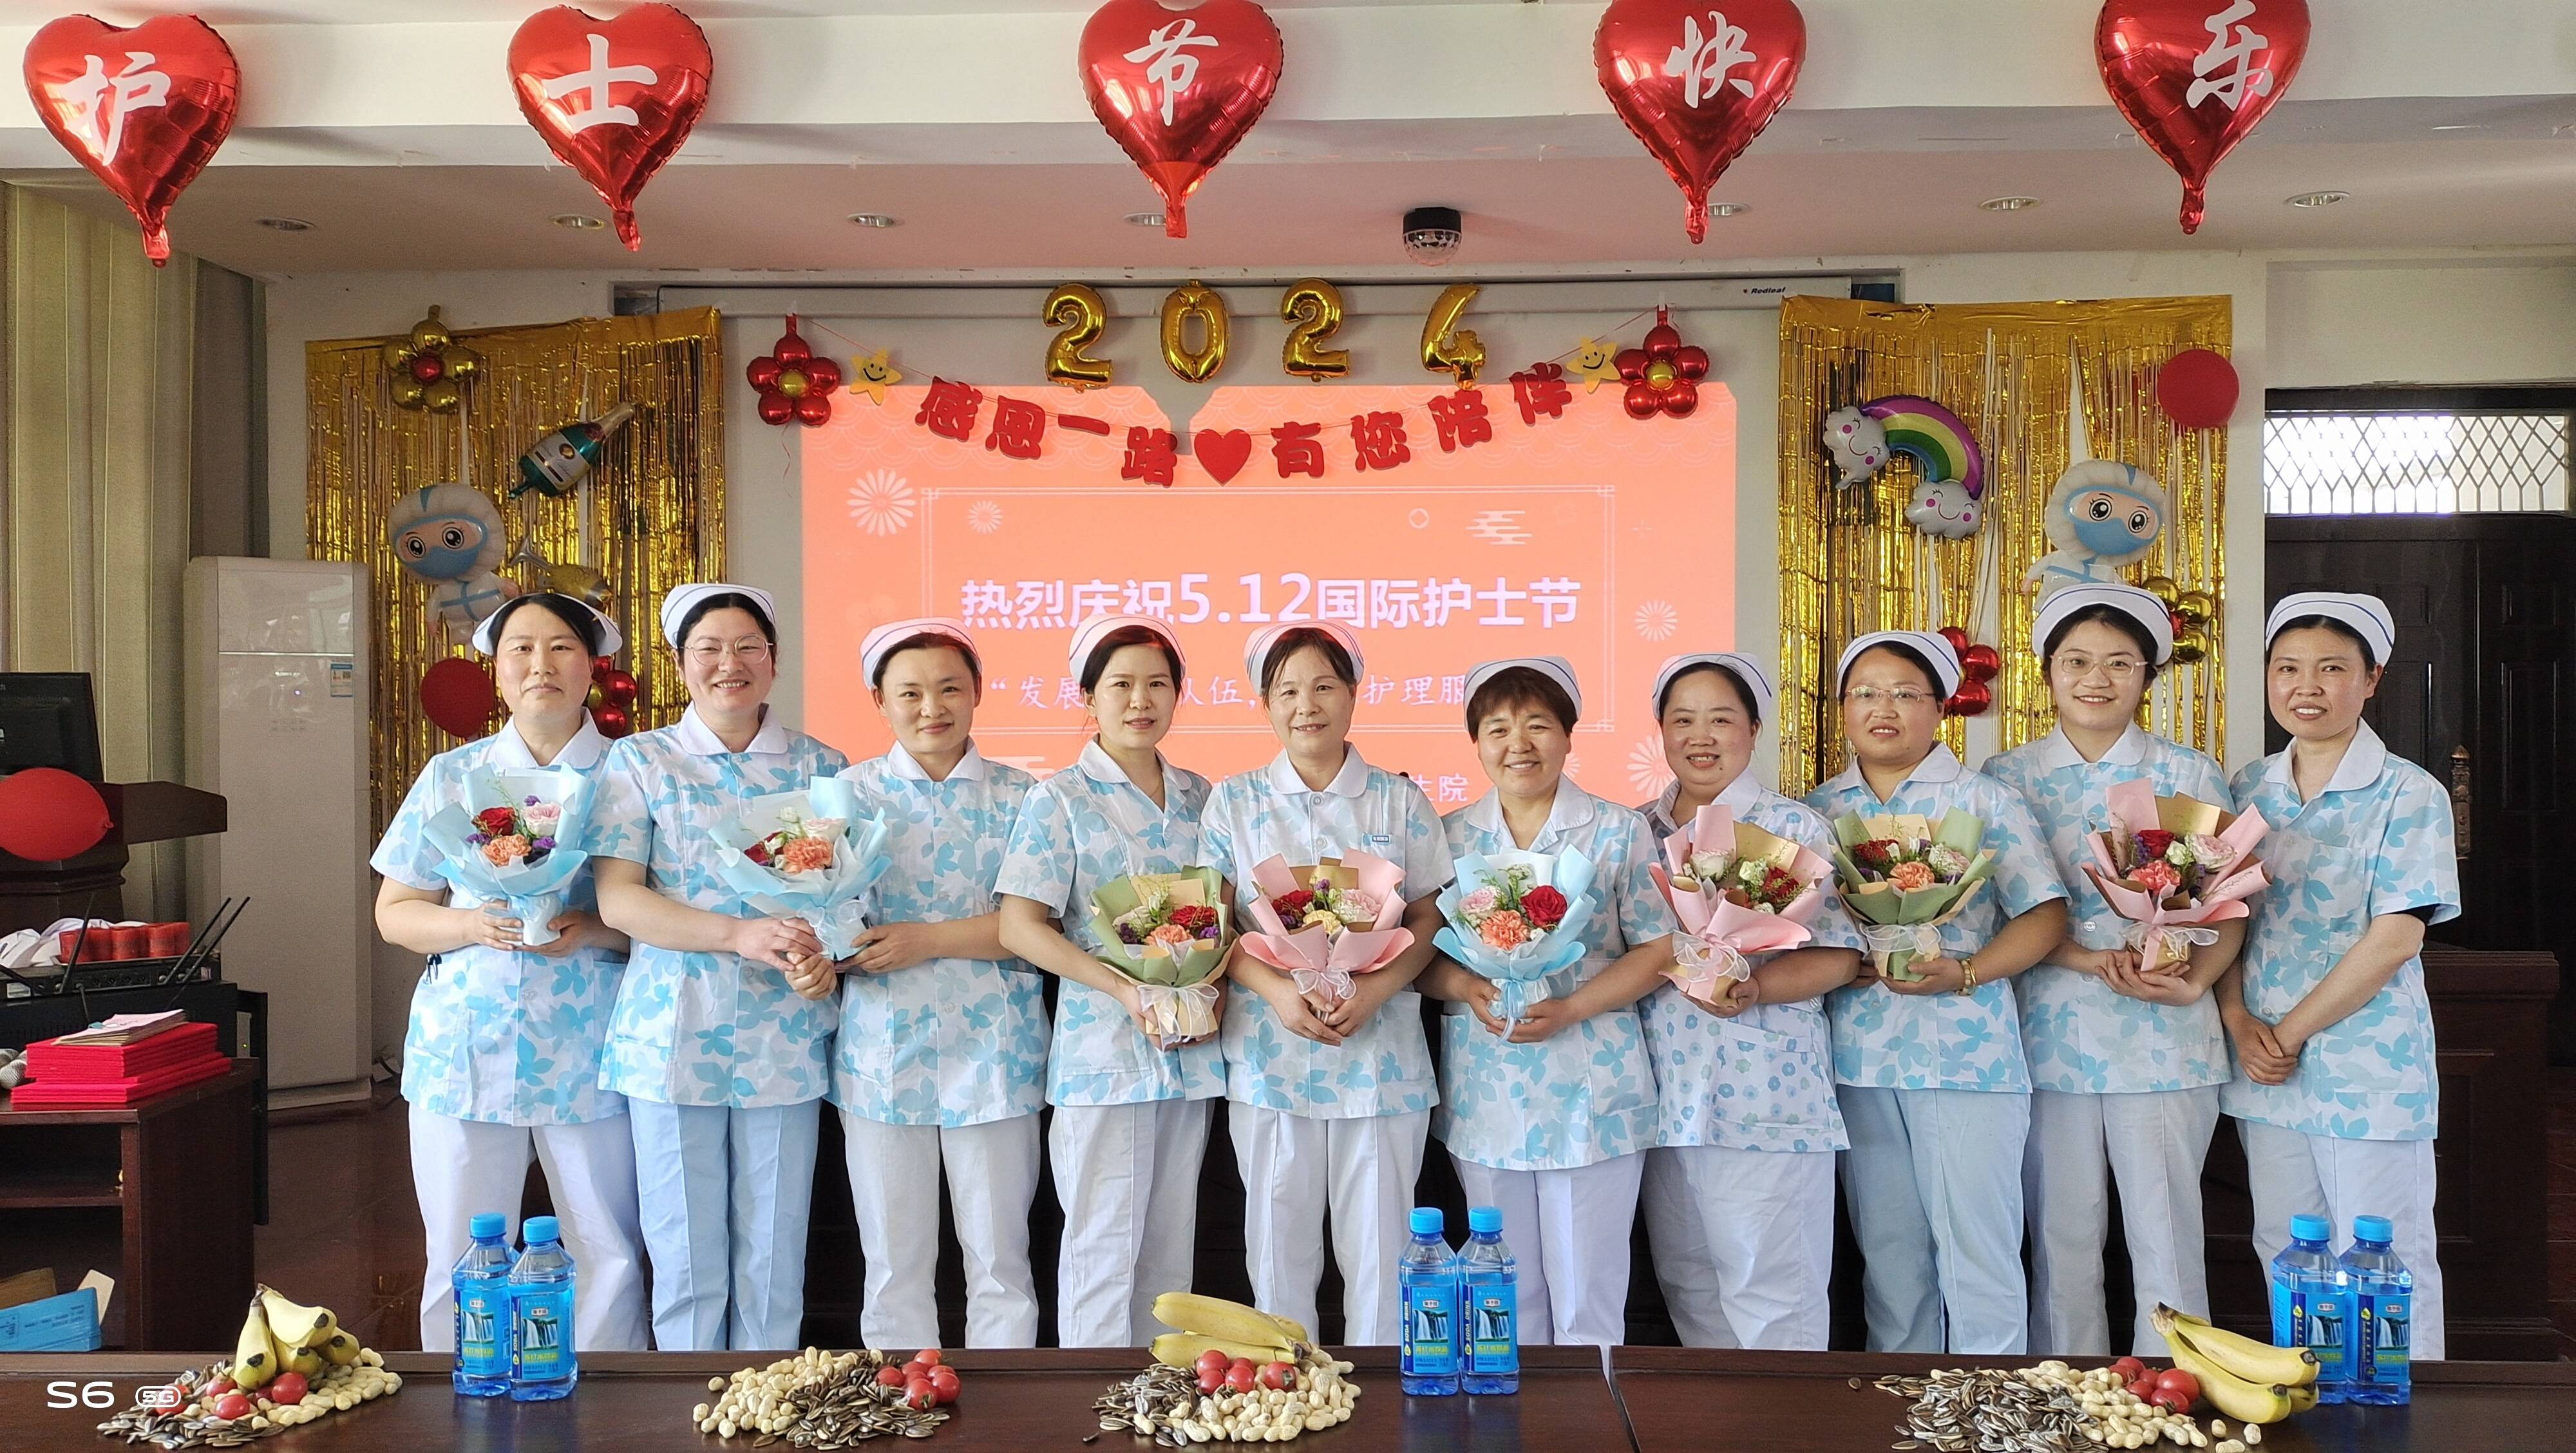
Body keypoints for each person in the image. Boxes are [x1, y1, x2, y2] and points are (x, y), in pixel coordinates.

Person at [371, 591, 649, 1353]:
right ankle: (460, 1387)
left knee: (607, 1243)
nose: (540, 665)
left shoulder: (633, 773)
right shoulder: (453, 775)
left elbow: (667, 914)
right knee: (461, 1246)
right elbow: (396, 912)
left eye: (561, 647)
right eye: (520, 648)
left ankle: (607, 1395)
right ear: (497, 670)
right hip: (466, 1043)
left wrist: (592, 928)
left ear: (592, 666)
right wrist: (470, 925)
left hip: (592, 1042)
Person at [589, 583, 849, 1351]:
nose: (728, 664)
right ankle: (686, 1399)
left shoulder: (821, 765)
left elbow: (841, 897)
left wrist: (826, 958)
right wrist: (736, 935)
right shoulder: (641, 761)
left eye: (746, 647)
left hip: (784, 1031)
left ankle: (768, 1394)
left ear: (773, 660)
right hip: (672, 1031)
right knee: (683, 1245)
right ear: (680, 663)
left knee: (775, 1248)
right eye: (708, 648)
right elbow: (618, 899)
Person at [1982, 586, 2241, 1356]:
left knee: (2167, 1234)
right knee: (2061, 1235)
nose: (2096, 679)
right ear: (2047, 673)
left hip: (2166, 1036)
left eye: (2120, 663)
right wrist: (2084, 958)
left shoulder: (2188, 772)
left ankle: (2176, 1390)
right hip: (2047, 1034)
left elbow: (2232, 904)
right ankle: (2070, 1390)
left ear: (2147, 676)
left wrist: (2194, 981)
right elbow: (1994, 913)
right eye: (2076, 662)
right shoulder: (2005, 776)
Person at [1803, 630, 2069, 1354]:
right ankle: (1907, 1402)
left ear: (1940, 706)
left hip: (1967, 1055)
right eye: (1864, 693)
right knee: (1889, 1256)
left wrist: (1968, 971)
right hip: (1857, 1058)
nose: (1882, 708)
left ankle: (1994, 1404)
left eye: (1904, 694)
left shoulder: (1982, 799)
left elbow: (2044, 914)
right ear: (1842, 707)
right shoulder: (1817, 810)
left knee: (1978, 1249)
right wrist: (1842, 961)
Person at [1200, 622, 1452, 1344]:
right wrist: (1278, 991)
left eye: (1322, 687)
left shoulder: (1399, 801)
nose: (1305, 706)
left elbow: (1432, 915)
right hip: (1271, 1054)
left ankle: (1385, 1395)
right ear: (1264, 704)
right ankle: (1288, 1390)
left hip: (1381, 1059)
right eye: (1286, 692)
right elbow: (1211, 923)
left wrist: (1378, 989)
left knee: (1380, 1248)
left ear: (1352, 694)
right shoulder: (1234, 802)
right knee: (1277, 1249)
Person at [2223, 592, 2456, 1359]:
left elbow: (2395, 938)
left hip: (2368, 1065)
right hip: (2265, 1064)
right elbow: (2217, 922)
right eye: (2287, 668)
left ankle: (2406, 1411)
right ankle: (2307, 1401)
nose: (2306, 687)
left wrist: (2287, 1032)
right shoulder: (2246, 790)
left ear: (2371, 679)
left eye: (2331, 669)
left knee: (2384, 1257)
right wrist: (2237, 1020)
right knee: (2286, 1249)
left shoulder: (2409, 793)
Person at [1417, 657, 1674, 1347]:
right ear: (1476, 743)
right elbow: (1419, 957)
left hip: (1592, 1081)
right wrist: (1462, 986)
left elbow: (1659, 948)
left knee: (1589, 1293)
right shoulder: (1449, 836)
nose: (1518, 745)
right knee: (1503, 1292)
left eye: (1537, 725)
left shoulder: (1617, 829)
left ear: (1567, 734)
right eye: (1498, 729)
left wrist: (1572, 1008)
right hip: (1488, 1084)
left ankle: (1589, 1409)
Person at [996, 614, 1224, 1347]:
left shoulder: (1201, 796)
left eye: (1157, 684)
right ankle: (1089, 1399)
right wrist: (1123, 988)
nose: (1140, 700)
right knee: (1101, 1246)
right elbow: (1020, 926)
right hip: (1104, 1052)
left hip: (1188, 1047)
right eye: (1120, 684)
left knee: (1168, 1252)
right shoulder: (1059, 798)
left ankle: (1160, 1394)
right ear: (1087, 696)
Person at [819, 619, 1046, 1349]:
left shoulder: (1025, 796)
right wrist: (829, 947)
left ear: (977, 692)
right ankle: (897, 1401)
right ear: (878, 701)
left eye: (950, 689)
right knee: (893, 1266)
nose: (932, 708)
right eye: (910, 692)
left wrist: (927, 939)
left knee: (1001, 1260)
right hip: (882, 1052)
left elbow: (1040, 924)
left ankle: (1006, 1403)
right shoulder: (846, 796)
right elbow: (828, 915)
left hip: (998, 1049)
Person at [1633, 652, 1864, 1352]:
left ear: (1754, 730)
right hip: (1665, 1099)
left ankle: (1783, 1416)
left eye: (1721, 719)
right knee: (1691, 1287)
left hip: (1768, 1097)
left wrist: (1756, 987)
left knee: (1774, 1299)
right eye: (1683, 721)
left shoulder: (1794, 829)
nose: (1700, 737)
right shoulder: (1633, 830)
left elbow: (1841, 955)